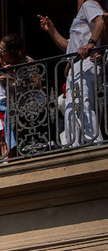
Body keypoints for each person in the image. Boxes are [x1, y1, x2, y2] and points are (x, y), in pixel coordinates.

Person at [39, 2, 105, 145]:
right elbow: (68, 47)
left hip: (85, 62)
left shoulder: (89, 3)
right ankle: (72, 144)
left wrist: (91, 44)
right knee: (72, 107)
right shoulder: (80, 15)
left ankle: (94, 141)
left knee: (82, 103)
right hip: (75, 66)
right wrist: (52, 30)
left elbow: (101, 20)